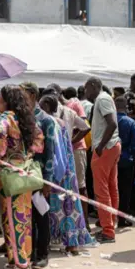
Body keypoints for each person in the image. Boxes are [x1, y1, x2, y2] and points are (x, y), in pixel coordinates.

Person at [0, 84, 44, 269]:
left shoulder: (5, 120)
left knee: (12, 220)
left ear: (6, 101)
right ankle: (20, 260)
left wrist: (1, 155)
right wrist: (26, 155)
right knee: (23, 219)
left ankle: (20, 265)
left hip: (10, 175)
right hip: (25, 174)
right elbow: (39, 141)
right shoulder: (26, 118)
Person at [39, 94, 93, 252]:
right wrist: (72, 141)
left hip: (56, 170)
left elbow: (50, 152)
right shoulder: (63, 121)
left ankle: (50, 240)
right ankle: (72, 242)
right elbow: (85, 127)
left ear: (47, 106)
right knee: (69, 205)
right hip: (68, 168)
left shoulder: (48, 123)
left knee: (54, 206)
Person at [21, 82, 56, 267]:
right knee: (27, 217)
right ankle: (30, 251)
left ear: (33, 96)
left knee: (41, 216)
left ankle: (42, 253)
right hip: (23, 176)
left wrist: (47, 180)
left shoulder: (46, 120)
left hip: (40, 175)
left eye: (23, 95)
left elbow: (50, 152)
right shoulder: (20, 119)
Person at [85, 77, 120, 244]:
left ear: (93, 86)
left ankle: (108, 231)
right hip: (111, 147)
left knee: (102, 190)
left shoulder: (102, 99)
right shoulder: (104, 99)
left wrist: (100, 146)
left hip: (105, 148)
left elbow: (112, 124)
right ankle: (110, 224)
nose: (85, 93)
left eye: (86, 89)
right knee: (111, 187)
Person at [115, 95, 135, 228]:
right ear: (126, 107)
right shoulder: (131, 123)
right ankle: (122, 219)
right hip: (126, 160)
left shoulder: (108, 121)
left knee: (111, 189)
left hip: (111, 159)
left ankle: (109, 218)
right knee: (125, 191)